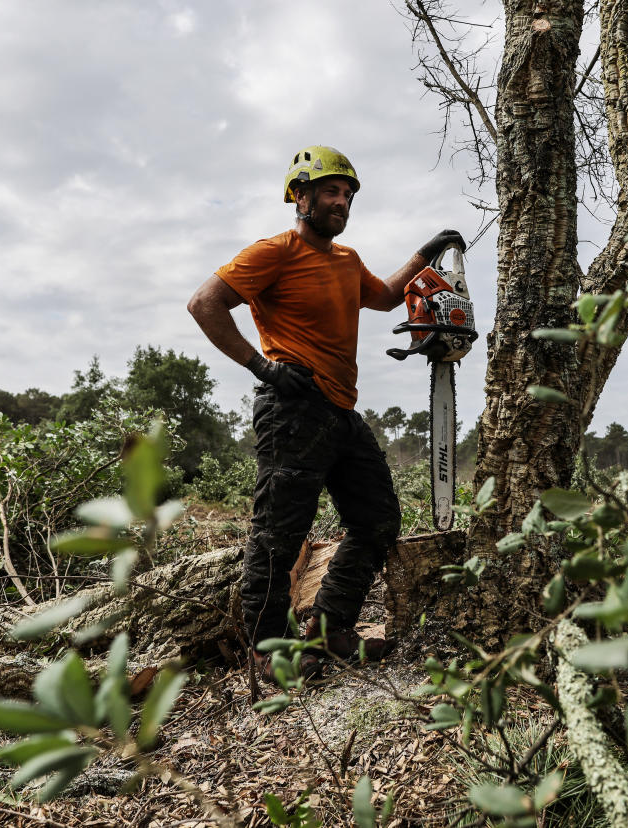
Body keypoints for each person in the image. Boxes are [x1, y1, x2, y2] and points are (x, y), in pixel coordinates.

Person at [187, 145, 463, 679]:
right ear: (301, 196)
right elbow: (205, 303)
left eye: (347, 195)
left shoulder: (346, 260)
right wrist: (261, 368)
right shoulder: (276, 251)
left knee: (377, 520)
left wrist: (427, 252)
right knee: (278, 534)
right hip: (292, 405)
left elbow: (383, 296)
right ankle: (268, 653)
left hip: (340, 410)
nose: (341, 202)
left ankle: (332, 629)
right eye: (331, 192)